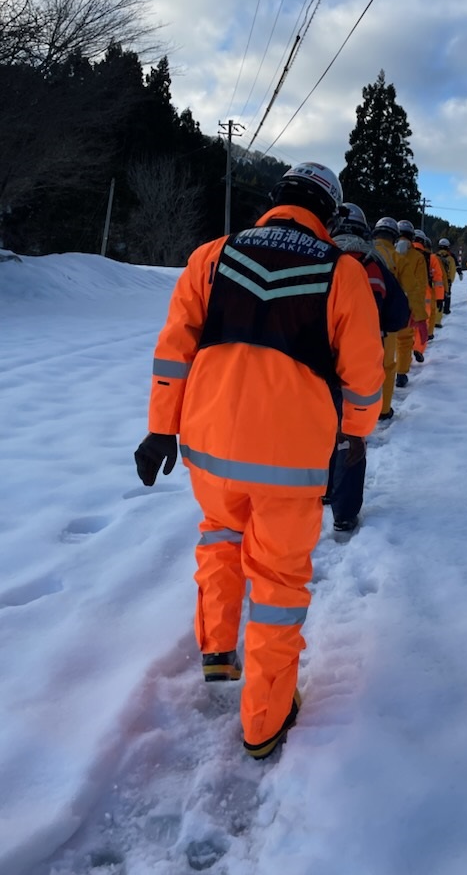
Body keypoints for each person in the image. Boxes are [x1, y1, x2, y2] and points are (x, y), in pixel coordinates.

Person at [134, 162, 384, 760]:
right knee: (276, 583)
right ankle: (264, 721)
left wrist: (159, 431)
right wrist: (353, 436)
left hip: (209, 445)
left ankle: (218, 652)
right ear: (326, 214)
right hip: (292, 463)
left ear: (276, 201)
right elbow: (365, 376)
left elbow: (174, 351)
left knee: (219, 538)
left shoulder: (212, 256)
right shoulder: (342, 273)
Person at [326, 204, 409, 536]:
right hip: (359, 359)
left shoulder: (318, 255)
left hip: (313, 358)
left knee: (319, 425)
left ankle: (322, 488)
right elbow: (397, 314)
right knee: (351, 433)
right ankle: (344, 512)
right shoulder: (371, 261)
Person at [372, 216, 425, 420]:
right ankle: (383, 410)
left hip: (355, 319)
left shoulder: (359, 251)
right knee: (386, 365)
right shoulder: (398, 258)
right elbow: (413, 290)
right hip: (388, 322)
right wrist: (419, 317)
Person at [394, 220, 429, 386]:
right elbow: (420, 286)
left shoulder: (388, 251)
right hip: (406, 305)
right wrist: (418, 312)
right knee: (405, 341)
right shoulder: (418, 257)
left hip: (385, 302)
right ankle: (401, 374)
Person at [413, 230, 444, 349]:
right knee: (423, 321)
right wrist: (440, 298)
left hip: (405, 291)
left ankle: (404, 353)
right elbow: (438, 279)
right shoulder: (431, 258)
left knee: (406, 324)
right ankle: (419, 349)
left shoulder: (402, 253)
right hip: (425, 292)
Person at [436, 237, 461, 316]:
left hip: (435, 279)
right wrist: (451, 279)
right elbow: (454, 268)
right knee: (447, 294)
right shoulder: (451, 256)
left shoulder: (435, 255)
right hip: (446, 279)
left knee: (436, 294)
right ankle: (446, 309)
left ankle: (436, 310)